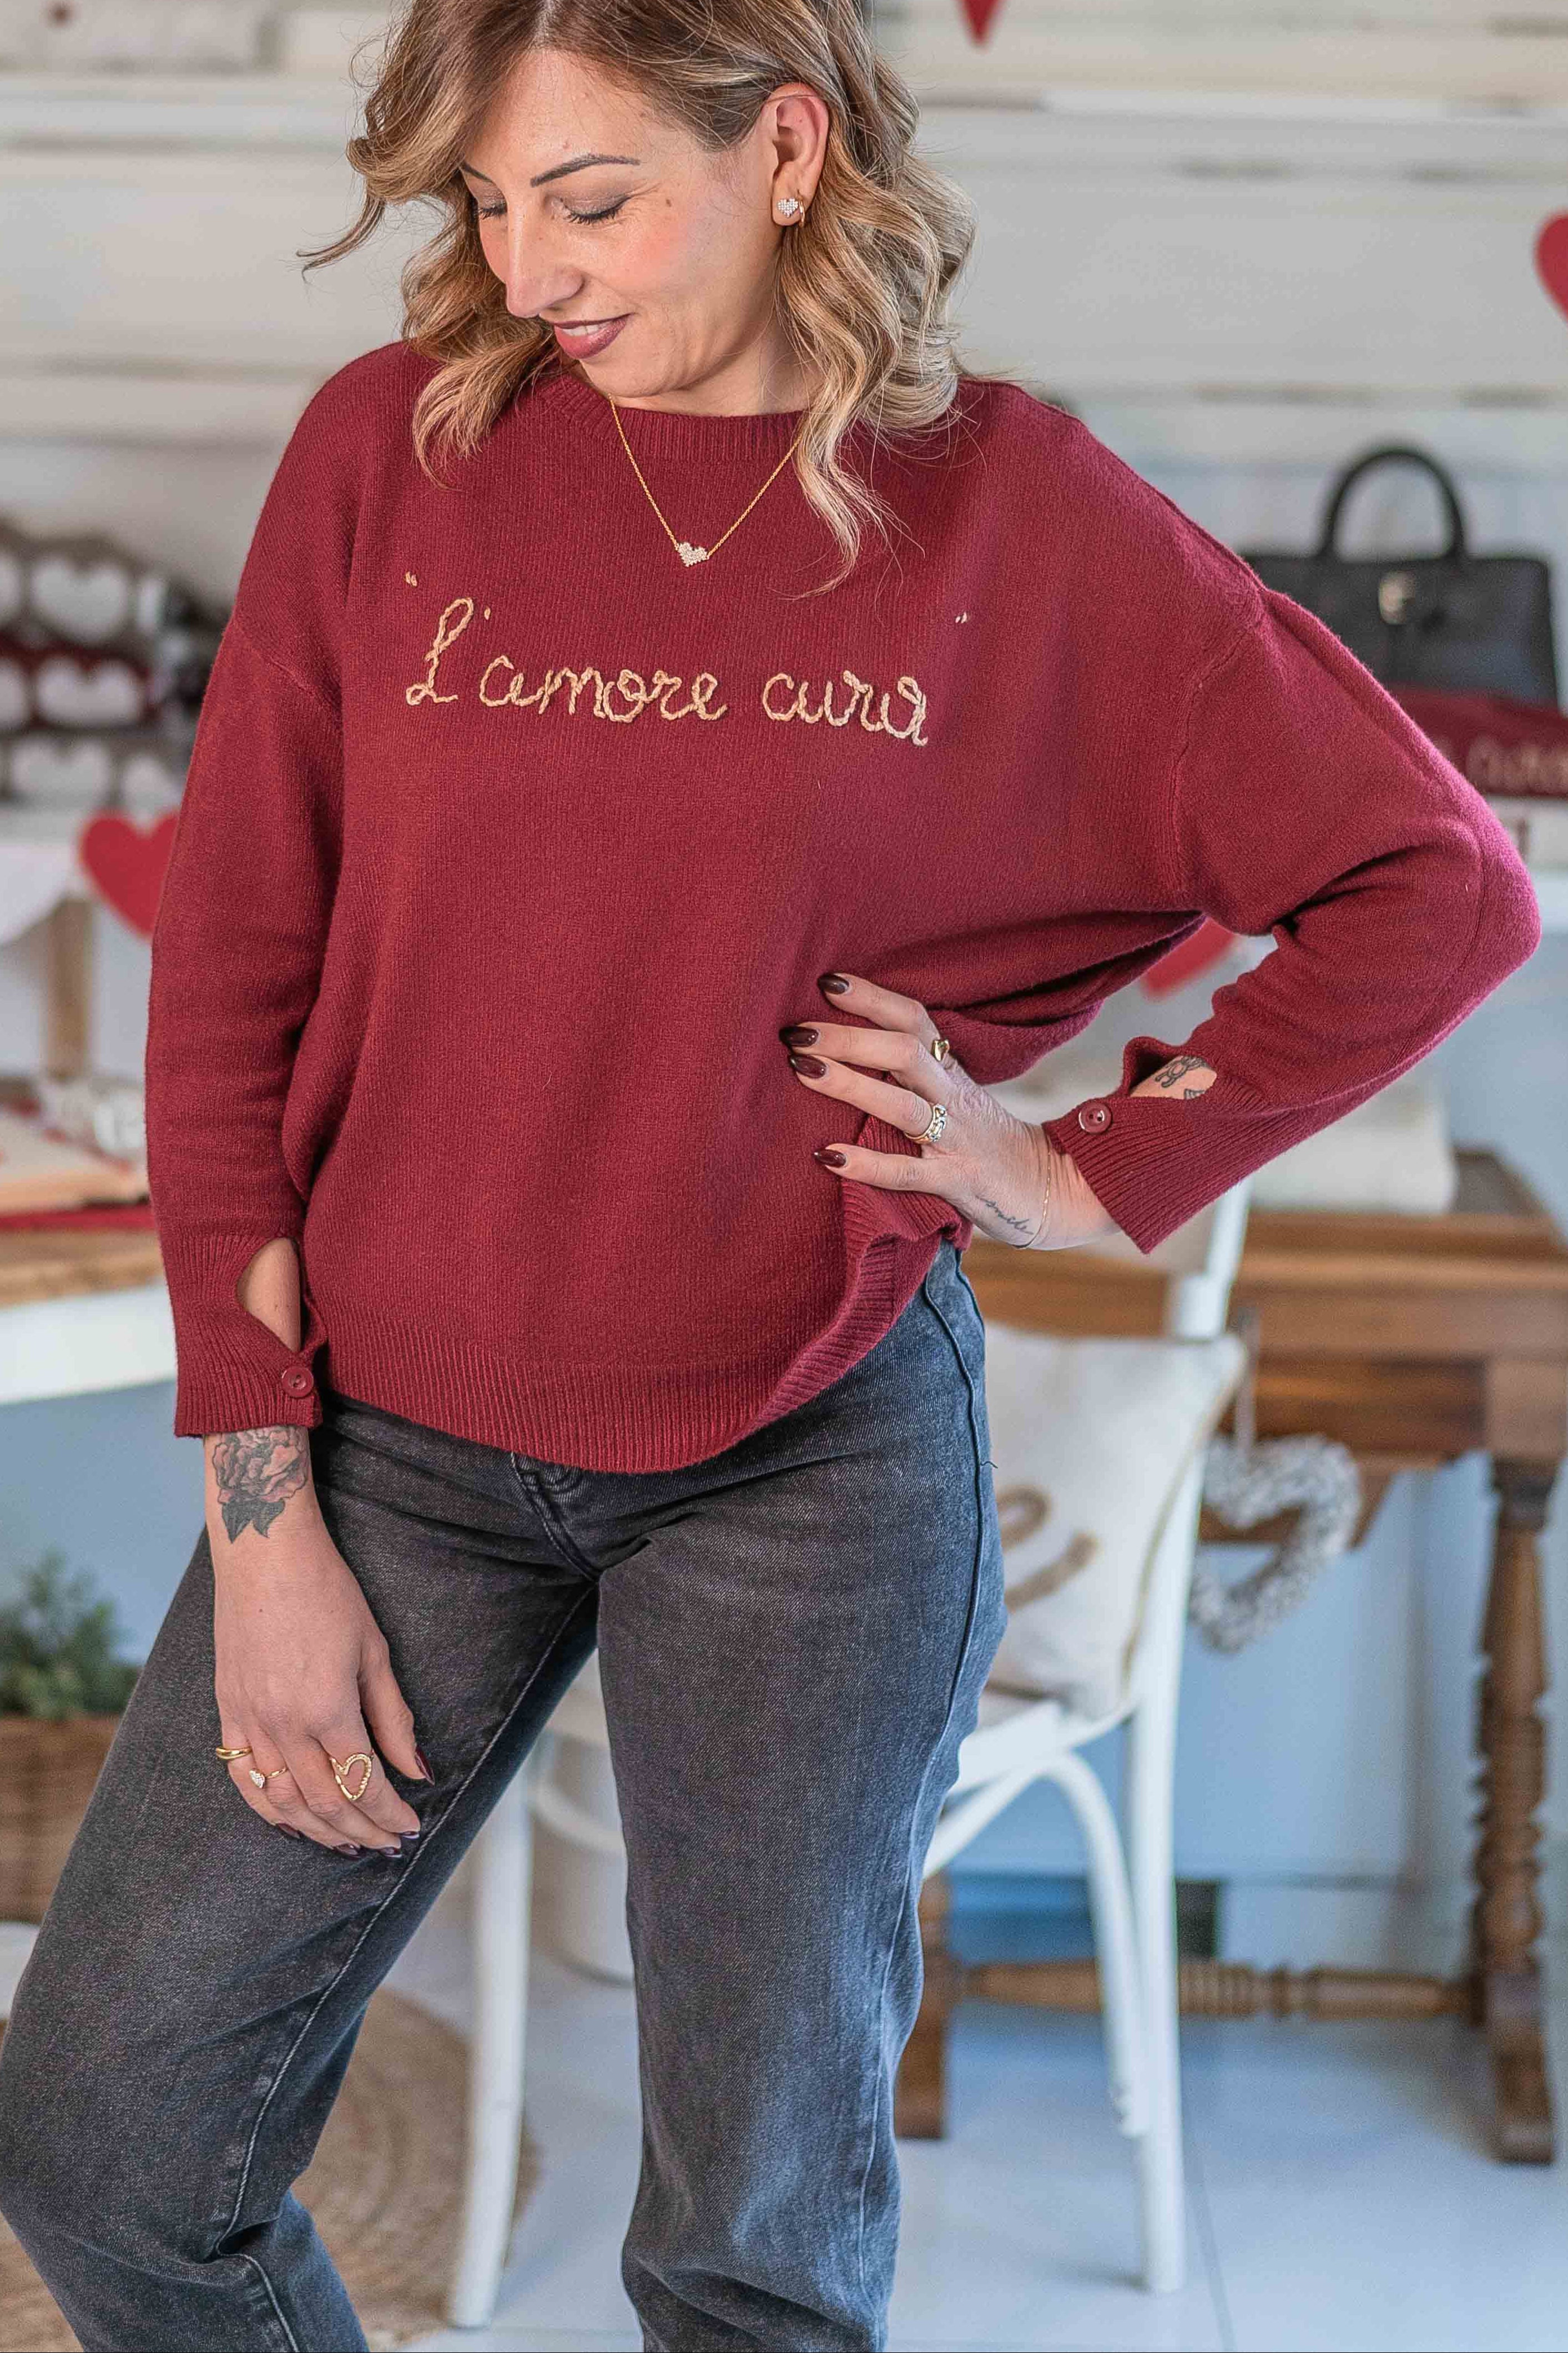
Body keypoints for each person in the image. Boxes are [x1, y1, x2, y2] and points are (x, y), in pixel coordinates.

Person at [0, 3, 1539, 2347]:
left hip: (803, 1457)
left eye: (590, 199)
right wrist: (262, 1506)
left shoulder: (1009, 510)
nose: (527, 268)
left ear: (787, 148)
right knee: (104, 2138)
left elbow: (1433, 881)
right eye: (486, 205)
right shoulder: (390, 456)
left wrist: (1084, 1162)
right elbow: (229, 988)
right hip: (388, 1441)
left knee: (748, 2260)